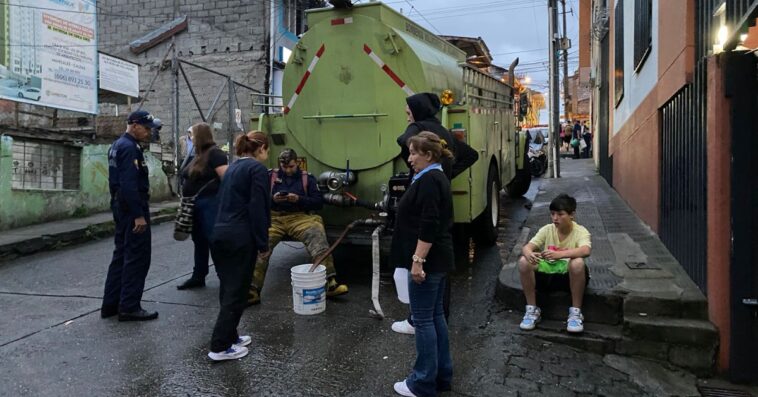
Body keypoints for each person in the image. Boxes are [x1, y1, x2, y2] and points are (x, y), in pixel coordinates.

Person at [392, 92, 478, 336]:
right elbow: (471, 154)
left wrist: (410, 136)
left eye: (408, 110)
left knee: (422, 253)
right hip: (442, 197)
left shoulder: (418, 129)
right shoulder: (445, 132)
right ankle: (440, 315)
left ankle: (416, 320)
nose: (406, 114)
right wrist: (448, 173)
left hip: (424, 199)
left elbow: (403, 139)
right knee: (440, 262)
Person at [391, 132, 454, 397]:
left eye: (414, 153)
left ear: (428, 155)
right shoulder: (434, 177)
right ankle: (442, 376)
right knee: (435, 316)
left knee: (424, 321)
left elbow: (429, 223)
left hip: (428, 261)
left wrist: (417, 261)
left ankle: (422, 382)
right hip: (439, 259)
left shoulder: (429, 180)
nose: (409, 158)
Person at [248, 148, 348, 305]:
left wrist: (299, 199)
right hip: (274, 218)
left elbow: (318, 202)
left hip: (299, 217)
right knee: (262, 244)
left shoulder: (307, 178)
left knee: (316, 234)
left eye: (291, 166)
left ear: (297, 163)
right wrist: (273, 200)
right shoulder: (269, 176)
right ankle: (252, 290)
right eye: (284, 166)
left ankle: (330, 282)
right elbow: (257, 199)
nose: (288, 170)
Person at [206, 132, 271, 361]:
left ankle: (231, 335)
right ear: (261, 148)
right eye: (267, 150)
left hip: (220, 234)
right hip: (240, 238)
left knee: (228, 287)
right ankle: (220, 346)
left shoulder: (232, 168)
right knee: (237, 291)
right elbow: (258, 208)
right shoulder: (258, 170)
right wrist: (263, 243)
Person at [101, 110, 160, 322]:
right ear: (134, 125)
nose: (148, 132)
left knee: (121, 255)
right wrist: (138, 215)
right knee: (137, 257)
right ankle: (129, 306)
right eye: (146, 128)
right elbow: (128, 184)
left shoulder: (118, 145)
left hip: (121, 205)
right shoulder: (128, 148)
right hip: (131, 207)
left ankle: (111, 304)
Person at [518, 193, 592, 333]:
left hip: (567, 277)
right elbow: (527, 247)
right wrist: (529, 253)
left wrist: (560, 255)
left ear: (572, 214)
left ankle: (576, 313)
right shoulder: (547, 229)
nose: (555, 218)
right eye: (552, 214)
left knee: (578, 263)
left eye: (560, 214)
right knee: (523, 261)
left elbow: (586, 250)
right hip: (547, 276)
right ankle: (532, 310)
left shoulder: (581, 231)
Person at [176, 123, 229, 290]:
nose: (190, 137)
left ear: (200, 135)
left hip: (210, 204)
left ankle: (225, 278)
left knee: (214, 241)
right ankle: (198, 275)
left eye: (192, 134)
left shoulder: (216, 154)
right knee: (199, 241)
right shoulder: (198, 155)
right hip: (194, 205)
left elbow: (226, 180)